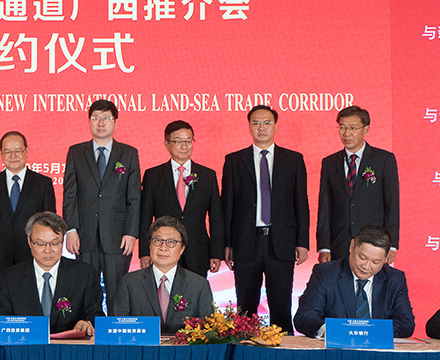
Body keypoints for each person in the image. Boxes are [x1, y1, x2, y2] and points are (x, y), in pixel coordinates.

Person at [221, 105, 310, 332]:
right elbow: (227, 205)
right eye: (256, 123)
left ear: (276, 126)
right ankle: (244, 347)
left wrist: (302, 242)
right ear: (249, 126)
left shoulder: (293, 160)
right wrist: (227, 243)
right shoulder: (234, 160)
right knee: (245, 306)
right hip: (245, 241)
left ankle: (283, 348)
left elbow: (301, 203)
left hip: (281, 242)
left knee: (281, 305)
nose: (261, 128)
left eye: (267, 123)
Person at [63, 99, 141, 312]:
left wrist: (131, 233)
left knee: (117, 290)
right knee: (86, 289)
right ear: (89, 122)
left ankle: (115, 329)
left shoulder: (128, 153)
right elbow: (70, 194)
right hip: (84, 235)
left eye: (106, 118)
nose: (100, 123)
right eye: (96, 118)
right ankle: (88, 328)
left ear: (115, 122)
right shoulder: (76, 152)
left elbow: (134, 197)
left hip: (117, 236)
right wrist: (71, 229)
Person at [294, 225, 414, 338]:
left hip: (378, 350)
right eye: (362, 257)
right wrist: (330, 331)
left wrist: (369, 333)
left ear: (385, 258)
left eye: (375, 262)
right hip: (336, 348)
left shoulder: (395, 279)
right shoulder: (326, 273)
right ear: (352, 246)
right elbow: (305, 316)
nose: (366, 266)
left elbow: (406, 323)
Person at [0, 211, 104, 336]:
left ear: (62, 241)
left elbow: (96, 315)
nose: (48, 250)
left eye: (55, 243)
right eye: (40, 243)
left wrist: (88, 323)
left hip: (70, 346)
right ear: (29, 242)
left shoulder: (84, 274)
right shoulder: (9, 279)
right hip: (25, 345)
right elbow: (1, 325)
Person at [139, 120, 224, 275]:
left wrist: (216, 253)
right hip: (163, 250)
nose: (184, 146)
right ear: (166, 144)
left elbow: (216, 217)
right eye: (178, 141)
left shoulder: (207, 175)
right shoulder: (153, 176)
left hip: (198, 250)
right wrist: (145, 252)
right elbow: (145, 217)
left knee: (196, 289)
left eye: (188, 141)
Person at [0, 131, 56, 290]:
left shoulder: (42, 183)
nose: (13, 156)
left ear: (27, 151)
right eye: (7, 151)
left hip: (32, 254)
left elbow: (49, 223)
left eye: (18, 150)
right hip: (0, 255)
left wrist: (48, 253)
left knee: (30, 298)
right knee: (2, 298)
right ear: (1, 154)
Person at [316, 105, 400, 263]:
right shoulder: (329, 163)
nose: (346, 133)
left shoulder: (384, 160)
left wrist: (392, 245)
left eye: (353, 128)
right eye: (342, 128)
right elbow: (325, 206)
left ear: (366, 129)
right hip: (340, 243)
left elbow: (392, 204)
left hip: (375, 243)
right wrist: (324, 247)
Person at [114, 216, 214, 334]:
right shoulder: (129, 283)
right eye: (157, 240)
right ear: (150, 244)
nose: (163, 247)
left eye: (171, 242)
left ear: (182, 249)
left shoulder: (199, 285)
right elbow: (120, 329)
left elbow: (207, 330)